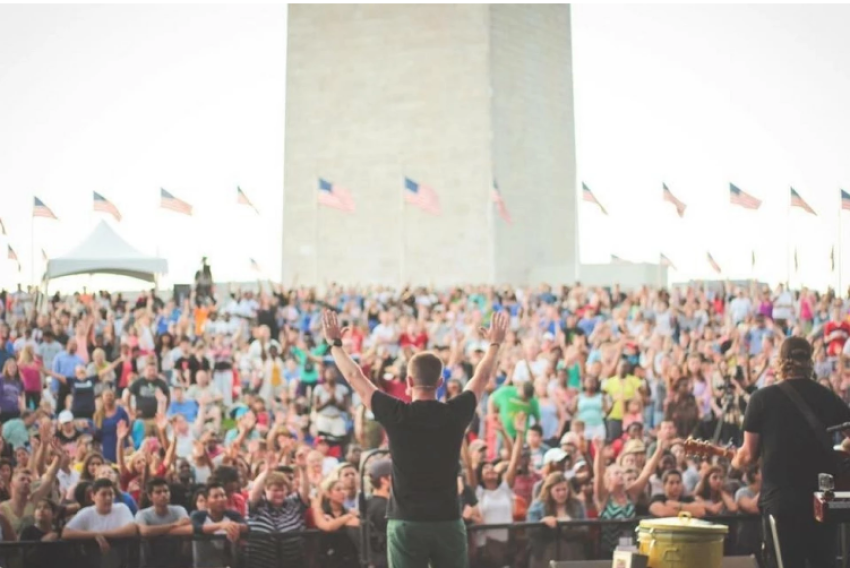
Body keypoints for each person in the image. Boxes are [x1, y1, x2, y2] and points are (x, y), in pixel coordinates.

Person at [322, 309, 508, 568]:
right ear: (441, 381)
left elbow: (355, 378)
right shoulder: (455, 412)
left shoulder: (396, 414)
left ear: (408, 381)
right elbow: (482, 378)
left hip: (406, 522)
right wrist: (494, 344)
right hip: (447, 521)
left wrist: (335, 345)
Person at [733, 336, 850, 568]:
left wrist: (735, 461)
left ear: (780, 362)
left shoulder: (761, 399)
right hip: (823, 500)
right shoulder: (828, 397)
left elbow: (747, 456)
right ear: (810, 361)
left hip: (782, 502)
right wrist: (841, 451)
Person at [62, 477, 138, 568]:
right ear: (93, 496)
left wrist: (101, 535)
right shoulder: (86, 512)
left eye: (111, 494)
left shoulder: (122, 508)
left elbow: (131, 530)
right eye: (103, 494)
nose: (108, 498)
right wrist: (94, 535)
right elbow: (66, 533)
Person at [135, 476, 191, 568]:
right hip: (151, 561)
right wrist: (175, 525)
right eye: (158, 492)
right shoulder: (142, 514)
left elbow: (188, 528)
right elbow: (145, 531)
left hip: (176, 560)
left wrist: (155, 531)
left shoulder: (179, 509)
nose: (163, 495)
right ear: (150, 496)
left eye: (166, 491)